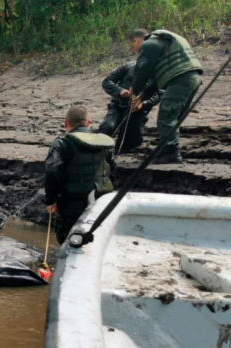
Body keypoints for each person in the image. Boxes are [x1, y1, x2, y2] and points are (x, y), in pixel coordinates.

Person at [128, 29, 203, 164]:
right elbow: (159, 79)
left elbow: (142, 71)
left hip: (180, 80)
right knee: (174, 116)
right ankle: (166, 147)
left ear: (137, 40)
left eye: (133, 46)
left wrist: (134, 89)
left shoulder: (148, 45)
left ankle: (171, 153)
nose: (135, 50)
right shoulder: (164, 42)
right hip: (192, 77)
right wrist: (143, 95)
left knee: (166, 115)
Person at [44, 106, 116, 244]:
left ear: (66, 123)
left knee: (68, 240)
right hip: (102, 202)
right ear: (88, 122)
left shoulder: (61, 143)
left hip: (72, 203)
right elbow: (112, 170)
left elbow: (51, 171)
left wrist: (50, 200)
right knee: (98, 237)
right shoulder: (106, 143)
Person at [98, 61, 163, 154]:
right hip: (118, 106)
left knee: (127, 145)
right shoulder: (127, 67)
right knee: (107, 127)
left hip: (138, 111)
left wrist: (143, 105)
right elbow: (107, 82)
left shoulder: (157, 73)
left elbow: (160, 94)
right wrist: (120, 91)